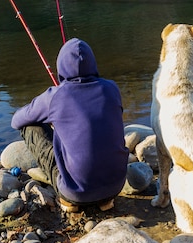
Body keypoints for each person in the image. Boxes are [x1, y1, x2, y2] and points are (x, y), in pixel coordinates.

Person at [11, 37, 129, 212]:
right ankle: (105, 201)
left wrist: (51, 115)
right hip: (115, 187)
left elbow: (17, 120)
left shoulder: (55, 96)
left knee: (30, 127)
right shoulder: (111, 89)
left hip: (76, 192)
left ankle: (70, 202)